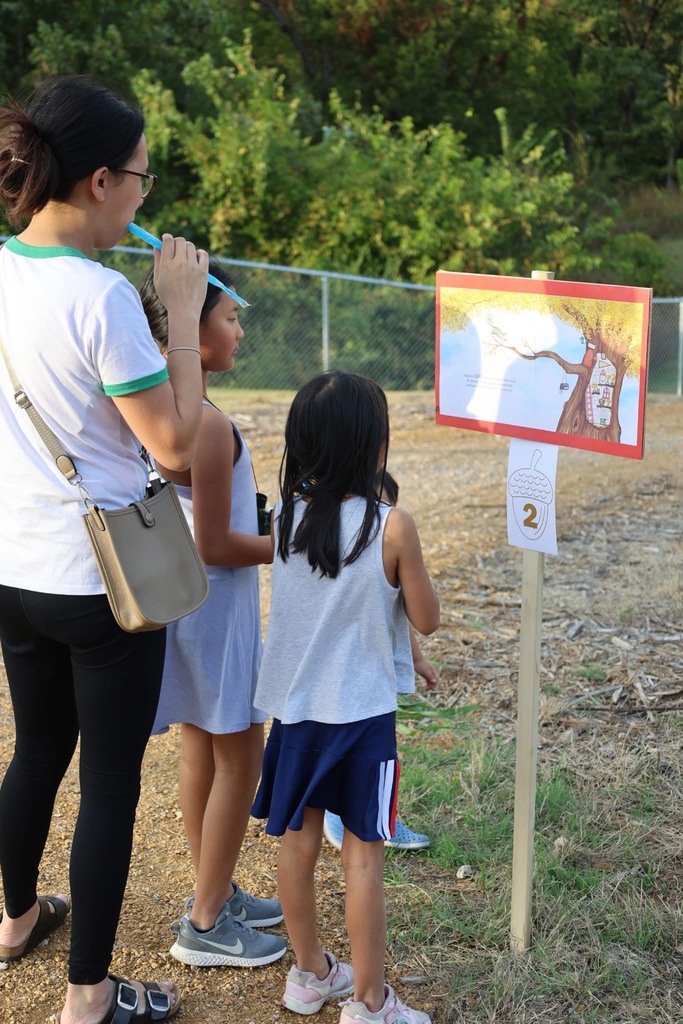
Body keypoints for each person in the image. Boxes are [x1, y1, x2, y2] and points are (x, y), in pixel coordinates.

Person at [0, 75, 210, 1024]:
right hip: (103, 580)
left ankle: (12, 923)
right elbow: (175, 447)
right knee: (110, 784)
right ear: (97, 181)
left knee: (35, 748)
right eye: (140, 177)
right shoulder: (102, 298)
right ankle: (89, 1000)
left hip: (12, 567)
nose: (144, 194)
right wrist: (183, 312)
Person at [251, 371, 440, 1024]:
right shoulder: (393, 526)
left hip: (296, 715)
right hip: (362, 720)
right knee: (362, 859)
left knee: (295, 845)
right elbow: (427, 615)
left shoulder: (284, 520)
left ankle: (308, 975)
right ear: (373, 446)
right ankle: (368, 1002)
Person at [138, 263, 287, 969]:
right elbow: (218, 543)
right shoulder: (210, 423)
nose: (240, 330)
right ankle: (204, 922)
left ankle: (215, 889)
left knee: (201, 747)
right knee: (240, 756)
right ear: (192, 330)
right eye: (229, 319)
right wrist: (291, 543)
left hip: (180, 608)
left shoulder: (154, 409)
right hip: (215, 607)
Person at [323, 469, 439, 853]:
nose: (382, 516)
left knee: (379, 754)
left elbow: (404, 617)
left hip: (377, 678)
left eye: (388, 507)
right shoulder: (338, 559)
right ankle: (341, 817)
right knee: (348, 749)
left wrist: (418, 661)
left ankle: (383, 816)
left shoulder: (386, 551)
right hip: (347, 675)